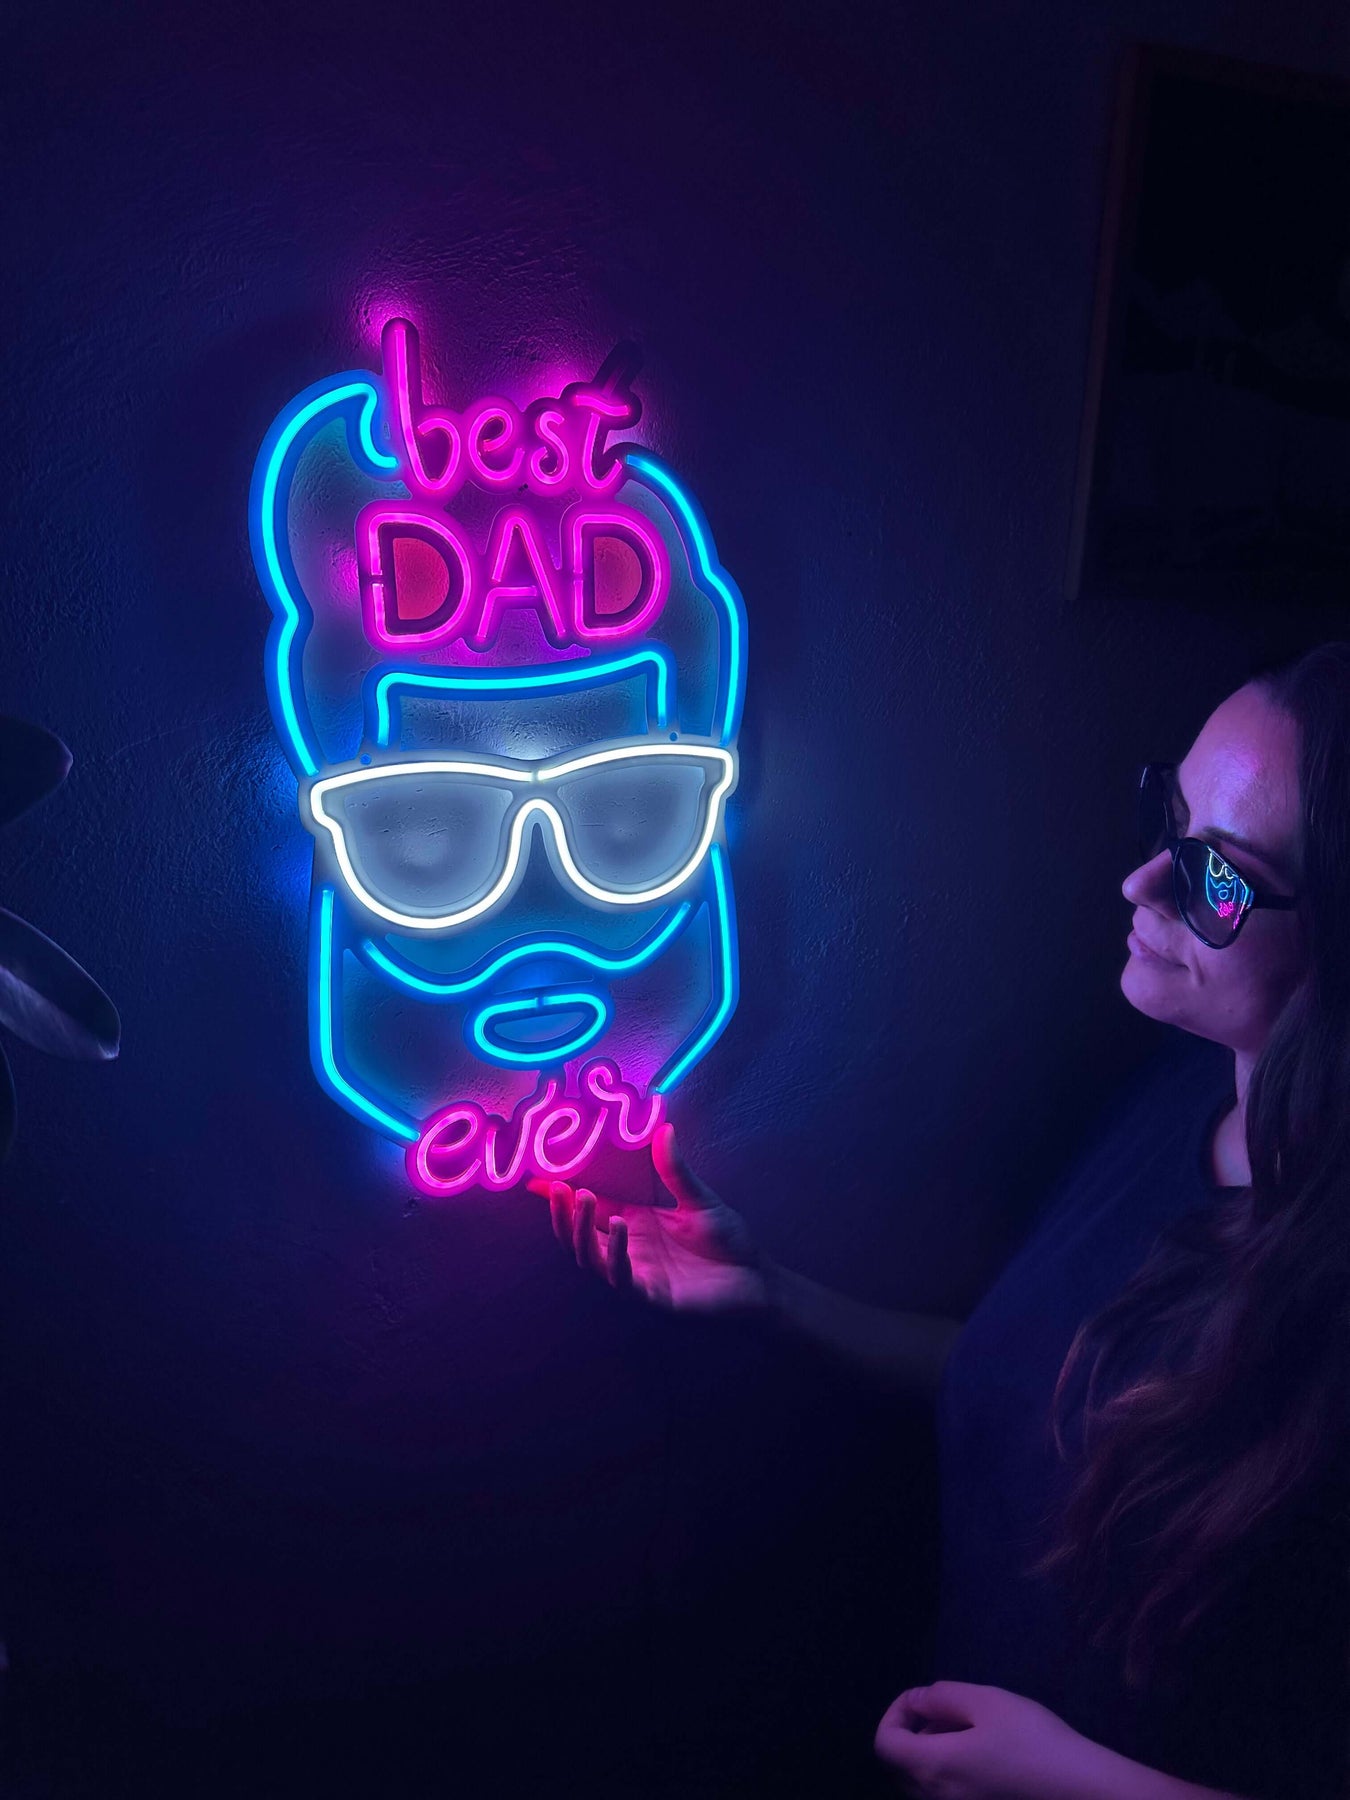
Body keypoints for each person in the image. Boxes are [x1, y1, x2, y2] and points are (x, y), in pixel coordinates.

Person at [531, 642, 1350, 1800]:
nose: (1141, 885)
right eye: (1168, 817)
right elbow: (1038, 1385)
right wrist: (777, 1294)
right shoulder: (1176, 1104)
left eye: (1218, 876)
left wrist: (1073, 1780)